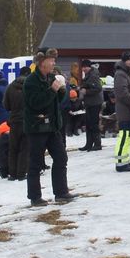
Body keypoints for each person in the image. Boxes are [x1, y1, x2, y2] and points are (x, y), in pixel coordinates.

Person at [24, 48, 75, 206]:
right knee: (35, 163)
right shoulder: (31, 81)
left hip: (52, 127)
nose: (54, 63)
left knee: (61, 157)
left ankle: (61, 192)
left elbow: (55, 102)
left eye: (54, 60)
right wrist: (53, 90)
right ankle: (35, 197)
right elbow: (36, 103)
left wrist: (61, 91)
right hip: (37, 127)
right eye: (51, 60)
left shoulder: (51, 77)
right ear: (41, 62)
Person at [3, 67, 30, 180]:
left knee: (13, 148)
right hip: (27, 120)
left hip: (14, 120)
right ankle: (21, 173)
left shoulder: (10, 87)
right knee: (25, 148)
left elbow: (6, 105)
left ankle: (12, 174)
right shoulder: (30, 86)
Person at [80, 59, 104, 151]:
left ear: (89, 67)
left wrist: (86, 91)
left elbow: (98, 88)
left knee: (93, 124)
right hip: (89, 103)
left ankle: (97, 144)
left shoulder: (93, 75)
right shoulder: (88, 74)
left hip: (94, 103)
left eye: (85, 67)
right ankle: (89, 144)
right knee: (89, 123)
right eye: (83, 67)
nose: (84, 69)